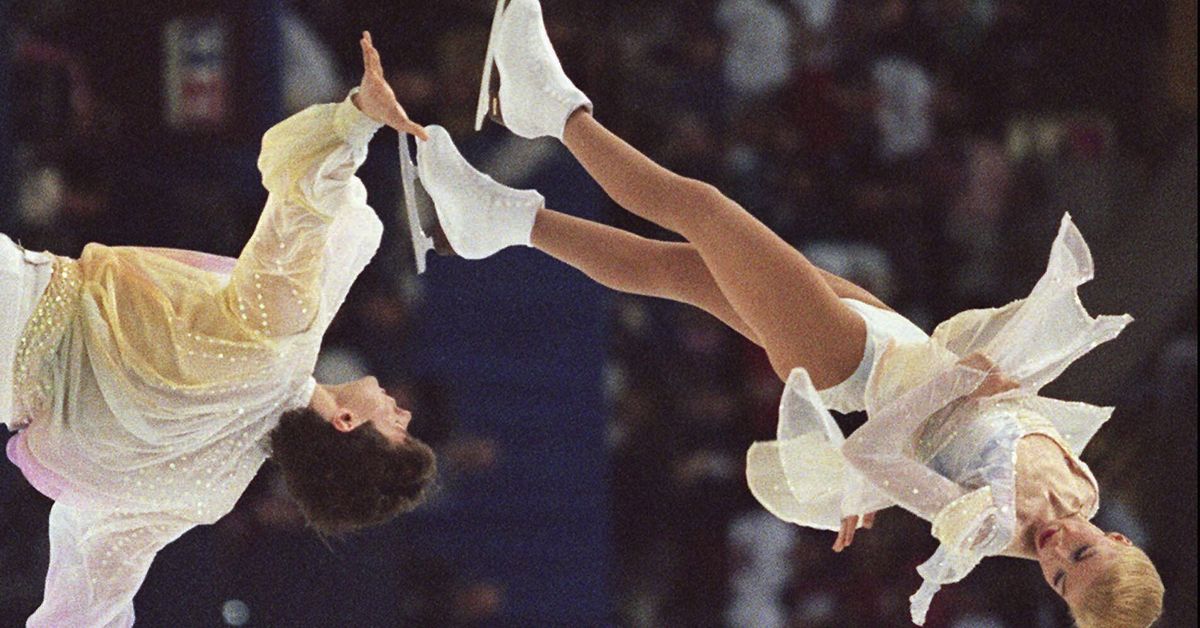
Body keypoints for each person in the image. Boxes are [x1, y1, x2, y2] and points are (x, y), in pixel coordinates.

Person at [411, 1, 1164, 625]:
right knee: (682, 270)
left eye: (1059, 579)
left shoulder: (996, 531)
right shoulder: (1084, 490)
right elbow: (957, 441)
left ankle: (552, 108)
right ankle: (495, 219)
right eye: (1083, 557)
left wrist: (948, 396)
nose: (1058, 549)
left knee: (703, 210)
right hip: (897, 339)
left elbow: (874, 453)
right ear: (1122, 542)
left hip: (854, 362)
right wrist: (905, 455)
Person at [1, 33, 436, 626]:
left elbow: (298, 207)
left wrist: (355, 121)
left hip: (17, 299)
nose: (404, 413)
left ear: (346, 422)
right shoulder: (214, 492)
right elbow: (101, 561)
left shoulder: (280, 340)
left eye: (398, 430)